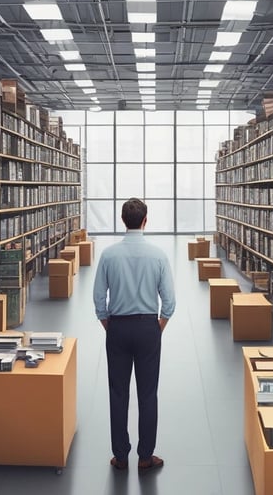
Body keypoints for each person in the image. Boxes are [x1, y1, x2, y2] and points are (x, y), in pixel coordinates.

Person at [93, 198, 176, 472]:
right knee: (148, 393)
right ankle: (145, 456)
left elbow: (98, 297)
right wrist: (158, 326)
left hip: (117, 327)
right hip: (147, 328)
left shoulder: (108, 255)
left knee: (118, 393)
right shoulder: (159, 255)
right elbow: (169, 301)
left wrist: (108, 323)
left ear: (122, 220)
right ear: (145, 220)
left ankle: (120, 456)